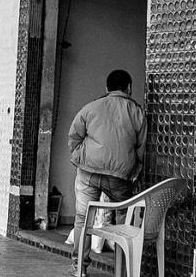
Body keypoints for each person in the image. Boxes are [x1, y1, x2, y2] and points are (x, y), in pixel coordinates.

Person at [68, 70, 147, 277]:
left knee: (82, 218)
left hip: (88, 173)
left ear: (107, 88)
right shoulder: (137, 112)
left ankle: (79, 268)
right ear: (129, 88)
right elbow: (141, 150)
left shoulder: (91, 107)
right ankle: (121, 271)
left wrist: (78, 158)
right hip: (119, 178)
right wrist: (133, 171)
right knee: (123, 222)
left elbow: (74, 135)